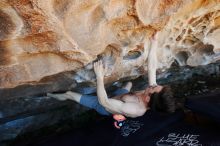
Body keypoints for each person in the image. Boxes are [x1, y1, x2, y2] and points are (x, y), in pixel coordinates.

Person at [47, 35, 176, 118]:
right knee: (129, 84)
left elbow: (105, 102)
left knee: (70, 93)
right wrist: (154, 42)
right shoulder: (151, 94)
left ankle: (50, 95)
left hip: (103, 105)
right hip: (121, 96)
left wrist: (99, 76)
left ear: (148, 98)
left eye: (153, 87)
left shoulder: (134, 110)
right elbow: (152, 67)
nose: (153, 84)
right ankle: (122, 89)